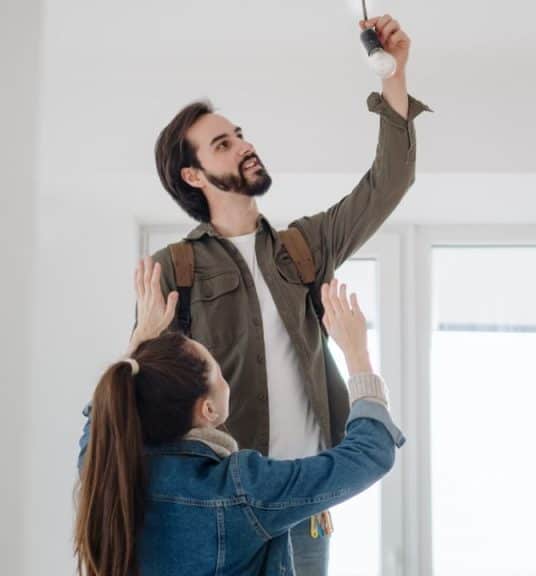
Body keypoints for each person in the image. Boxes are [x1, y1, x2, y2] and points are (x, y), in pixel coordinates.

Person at [148, 14, 428, 572]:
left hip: (304, 500)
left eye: (240, 134)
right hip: (223, 504)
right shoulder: (174, 268)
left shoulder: (304, 247)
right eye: (223, 144)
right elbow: (152, 400)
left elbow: (389, 182)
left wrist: (392, 75)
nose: (245, 146)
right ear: (193, 176)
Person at [75, 259, 404, 576]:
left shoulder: (109, 470)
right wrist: (357, 354)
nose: (226, 380)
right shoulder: (241, 489)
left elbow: (106, 415)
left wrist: (139, 345)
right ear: (208, 410)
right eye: (219, 372)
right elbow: (370, 453)